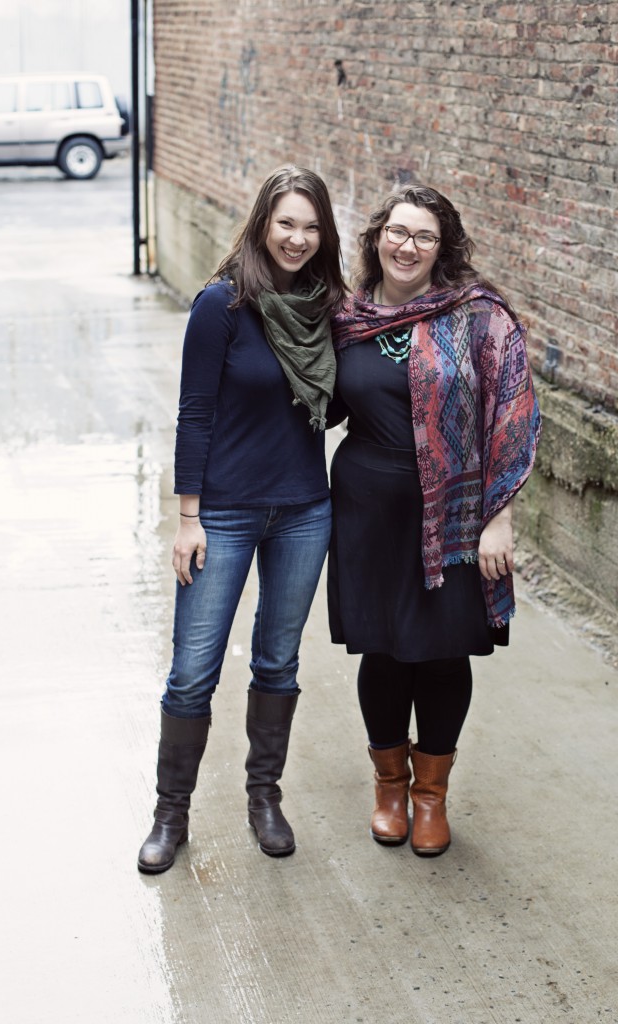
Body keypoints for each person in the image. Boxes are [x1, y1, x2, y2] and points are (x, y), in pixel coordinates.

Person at [137, 166, 346, 874]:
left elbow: (335, 402)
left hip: (302, 512)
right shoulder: (221, 306)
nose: (297, 237)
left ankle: (264, 798)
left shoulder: (326, 308)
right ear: (262, 223)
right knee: (193, 672)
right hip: (221, 513)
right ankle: (171, 812)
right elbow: (193, 412)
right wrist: (187, 516)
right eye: (286, 222)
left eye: (311, 226)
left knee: (278, 662)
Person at [327, 183, 541, 856]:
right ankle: (389, 788)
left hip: (452, 512)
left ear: (442, 248)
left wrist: (497, 517)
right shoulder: (346, 317)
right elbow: (311, 400)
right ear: (376, 238)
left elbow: (512, 414)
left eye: (423, 236)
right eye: (396, 231)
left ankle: (430, 797)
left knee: (443, 653)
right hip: (367, 509)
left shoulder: (478, 317)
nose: (406, 246)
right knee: (383, 651)